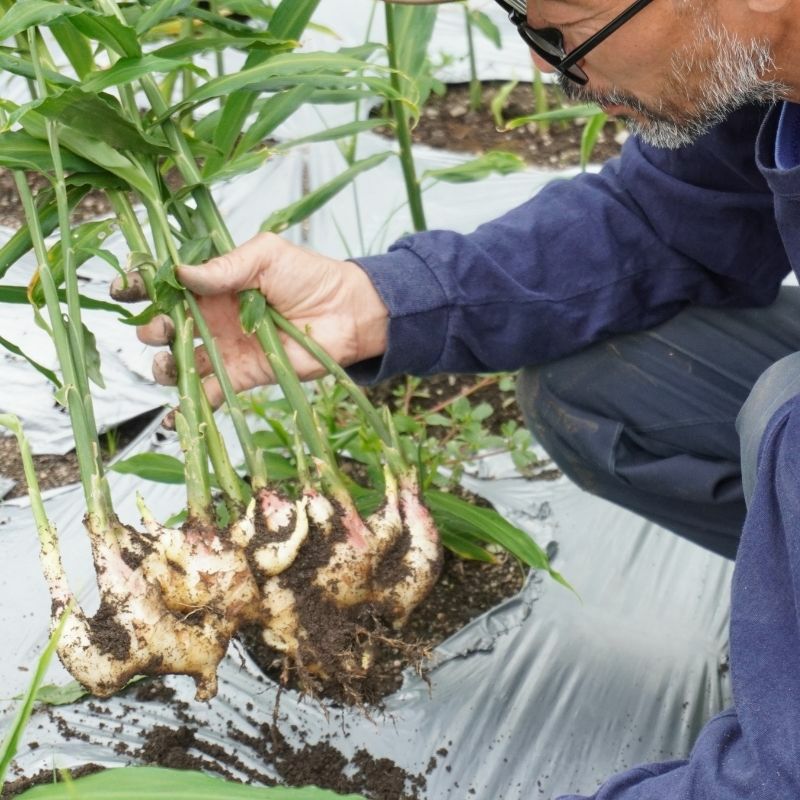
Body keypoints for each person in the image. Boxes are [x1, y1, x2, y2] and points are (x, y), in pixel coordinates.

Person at [119, 0, 800, 796]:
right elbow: (658, 224)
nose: (547, 68)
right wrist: (374, 302)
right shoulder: (761, 79)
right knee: (599, 383)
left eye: (560, 32)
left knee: (782, 415)